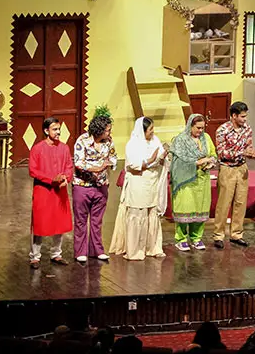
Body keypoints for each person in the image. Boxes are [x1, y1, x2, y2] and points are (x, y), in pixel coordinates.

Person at [109, 117, 168, 260]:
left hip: (152, 182)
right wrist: (151, 159)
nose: (153, 132)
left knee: (151, 212)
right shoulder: (133, 144)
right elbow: (133, 165)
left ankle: (152, 247)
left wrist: (163, 156)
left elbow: (160, 159)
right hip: (138, 182)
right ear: (142, 131)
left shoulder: (155, 140)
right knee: (138, 213)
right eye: (150, 129)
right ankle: (135, 250)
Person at [27, 117, 74, 268]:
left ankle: (56, 254)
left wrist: (66, 178)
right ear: (46, 131)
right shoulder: (37, 148)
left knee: (59, 222)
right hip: (43, 190)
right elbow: (33, 170)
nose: (58, 132)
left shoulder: (64, 148)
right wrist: (51, 179)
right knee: (40, 223)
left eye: (59, 129)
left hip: (59, 191)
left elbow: (69, 167)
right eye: (55, 129)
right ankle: (35, 256)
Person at [213, 101, 255, 249]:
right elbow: (221, 152)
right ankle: (218, 235)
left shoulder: (247, 129)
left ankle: (236, 234)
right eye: (242, 116)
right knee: (224, 203)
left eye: (245, 116)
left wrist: (252, 153)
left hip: (242, 168)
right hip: (227, 169)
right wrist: (241, 153)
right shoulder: (222, 130)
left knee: (240, 202)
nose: (245, 119)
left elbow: (248, 146)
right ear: (234, 116)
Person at [72, 113, 117, 264]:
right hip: (82, 185)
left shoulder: (109, 142)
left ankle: (97, 250)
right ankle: (80, 251)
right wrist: (98, 167)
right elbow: (79, 163)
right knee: (81, 220)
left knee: (97, 221)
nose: (109, 133)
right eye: (107, 130)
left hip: (101, 185)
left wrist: (109, 164)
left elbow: (113, 158)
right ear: (99, 130)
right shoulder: (82, 141)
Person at [169, 114, 217, 252]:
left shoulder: (206, 138)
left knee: (200, 208)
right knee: (185, 207)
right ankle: (181, 239)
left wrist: (211, 162)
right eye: (198, 128)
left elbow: (213, 154)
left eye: (202, 128)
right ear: (190, 126)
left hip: (202, 179)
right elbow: (178, 162)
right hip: (185, 180)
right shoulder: (181, 140)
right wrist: (198, 162)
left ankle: (196, 238)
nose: (200, 131)